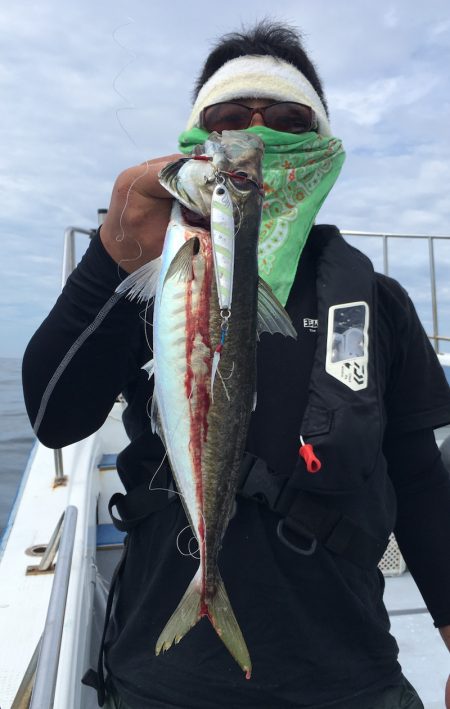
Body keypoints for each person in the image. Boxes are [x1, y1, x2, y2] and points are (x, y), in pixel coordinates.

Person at [22, 20, 450, 709]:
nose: (258, 132)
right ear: (197, 142)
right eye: (228, 118)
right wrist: (113, 251)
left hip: (350, 671)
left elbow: (421, 481)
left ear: (318, 141)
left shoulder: (376, 300)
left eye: (285, 117)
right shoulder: (158, 281)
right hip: (167, 679)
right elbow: (52, 416)